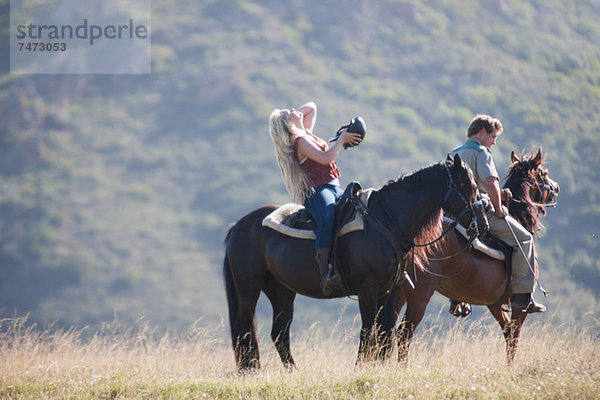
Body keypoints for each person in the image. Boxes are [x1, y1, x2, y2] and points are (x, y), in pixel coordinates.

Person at [449, 114, 545, 313]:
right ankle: (522, 296)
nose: (493, 142)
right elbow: (491, 182)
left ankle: (455, 298)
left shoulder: (454, 153)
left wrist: (498, 192)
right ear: (482, 132)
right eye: (493, 137)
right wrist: (499, 206)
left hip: (451, 215)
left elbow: (469, 184)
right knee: (525, 239)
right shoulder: (481, 152)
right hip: (477, 213)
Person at [269, 102, 362, 295]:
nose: (293, 109)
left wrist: (295, 117)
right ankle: (325, 273)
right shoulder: (300, 142)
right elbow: (327, 157)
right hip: (319, 192)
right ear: (287, 124)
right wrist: (341, 140)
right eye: (289, 112)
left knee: (359, 208)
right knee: (328, 216)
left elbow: (312, 106)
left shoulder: (305, 132)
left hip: (333, 186)